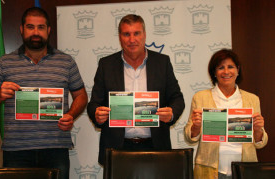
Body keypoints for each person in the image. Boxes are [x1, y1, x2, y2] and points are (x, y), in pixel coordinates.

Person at [0, 7, 88, 179]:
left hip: (55, 149)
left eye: (41, 27)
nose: (36, 32)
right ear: (21, 30)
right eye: (30, 27)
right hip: (16, 151)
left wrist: (71, 115)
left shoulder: (66, 61)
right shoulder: (4, 63)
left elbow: (81, 96)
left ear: (49, 30)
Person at [87, 14, 185, 166]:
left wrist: (171, 113)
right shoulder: (106, 65)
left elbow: (177, 98)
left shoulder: (162, 62)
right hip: (117, 148)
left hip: (155, 147)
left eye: (136, 33)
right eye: (126, 34)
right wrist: (97, 114)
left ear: (144, 35)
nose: (132, 40)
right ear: (120, 37)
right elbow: (94, 103)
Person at [184, 49, 268, 179]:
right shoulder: (200, 97)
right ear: (214, 72)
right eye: (220, 67)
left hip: (244, 169)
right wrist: (196, 126)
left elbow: (260, 142)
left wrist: (257, 130)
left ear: (238, 70)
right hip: (209, 168)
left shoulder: (252, 99)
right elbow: (190, 137)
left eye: (230, 67)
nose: (226, 71)